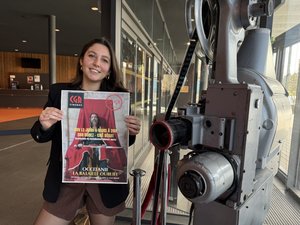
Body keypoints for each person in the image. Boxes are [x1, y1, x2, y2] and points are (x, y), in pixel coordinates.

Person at [31, 38, 141, 225]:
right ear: (82, 61)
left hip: (104, 181)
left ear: (109, 70)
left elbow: (122, 142)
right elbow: (39, 134)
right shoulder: (60, 93)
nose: (97, 63)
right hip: (67, 179)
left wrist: (131, 132)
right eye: (92, 56)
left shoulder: (118, 98)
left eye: (105, 60)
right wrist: (45, 125)